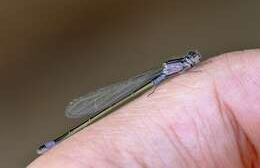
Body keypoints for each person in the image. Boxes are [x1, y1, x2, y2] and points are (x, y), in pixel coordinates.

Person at [28, 49, 260, 168]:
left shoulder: (186, 66)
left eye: (193, 60)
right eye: (191, 59)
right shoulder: (178, 67)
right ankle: (56, 143)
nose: (193, 61)